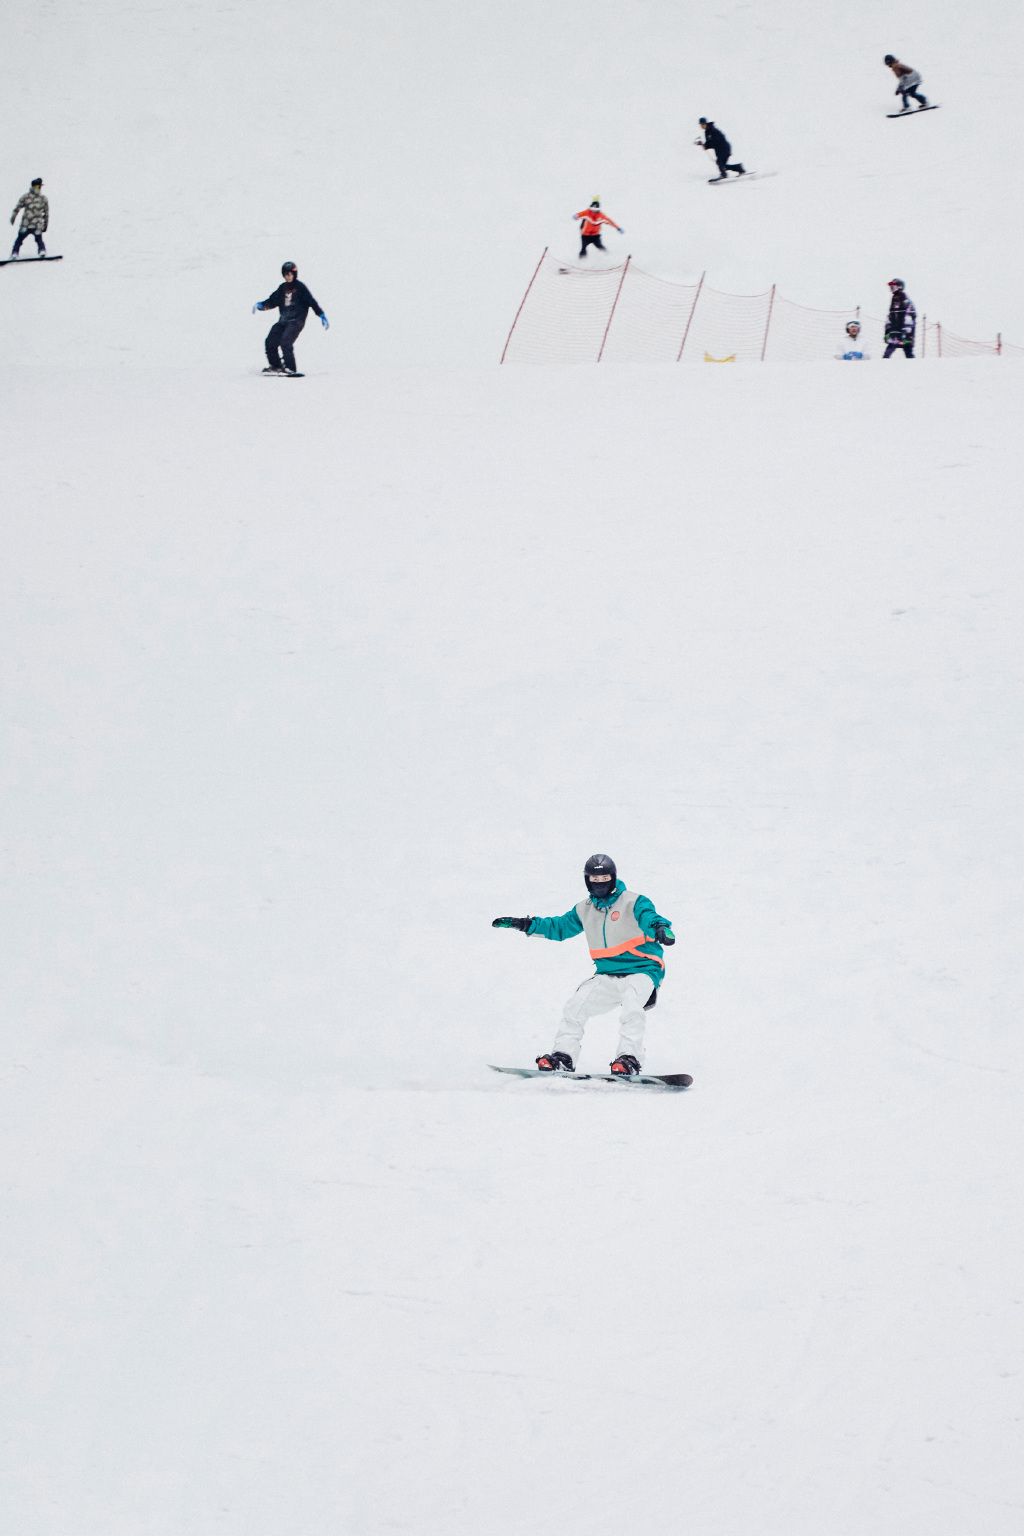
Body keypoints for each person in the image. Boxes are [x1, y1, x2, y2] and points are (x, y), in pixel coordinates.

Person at [492, 854, 675, 1076]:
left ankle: (630, 1059)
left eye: (605, 878)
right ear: (587, 881)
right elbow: (558, 927)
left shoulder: (633, 901)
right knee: (575, 1006)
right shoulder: (585, 909)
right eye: (594, 880)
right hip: (607, 974)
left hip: (643, 970)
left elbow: (649, 916)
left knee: (631, 1006)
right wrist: (526, 924)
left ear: (614, 878)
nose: (600, 884)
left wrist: (660, 928)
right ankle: (563, 1057)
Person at [252, 261, 328, 375]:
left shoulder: (301, 288)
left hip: (297, 321)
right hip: (284, 321)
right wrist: (261, 305)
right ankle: (276, 366)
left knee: (286, 342)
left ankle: (290, 368)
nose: (288, 277)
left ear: (294, 274)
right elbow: (273, 301)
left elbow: (311, 301)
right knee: (270, 341)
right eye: (285, 274)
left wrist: (321, 314)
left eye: (290, 274)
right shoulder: (282, 288)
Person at [10, 177, 48, 257]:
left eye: (40, 187)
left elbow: (46, 213)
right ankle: (15, 252)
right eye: (37, 187)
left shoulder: (43, 199)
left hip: (36, 224)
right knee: (20, 238)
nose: (39, 189)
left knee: (39, 239)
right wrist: (14, 216)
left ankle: (42, 251)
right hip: (26, 224)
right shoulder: (26, 197)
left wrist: (45, 225)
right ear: (33, 187)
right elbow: (18, 207)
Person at [884, 278, 916, 357]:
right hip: (894, 333)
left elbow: (910, 317)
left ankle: (915, 367)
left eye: (893, 287)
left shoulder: (906, 300)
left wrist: (906, 331)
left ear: (899, 287)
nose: (891, 289)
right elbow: (890, 317)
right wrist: (887, 330)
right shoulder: (894, 300)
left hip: (905, 334)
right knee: (887, 354)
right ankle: (882, 367)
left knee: (908, 353)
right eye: (891, 287)